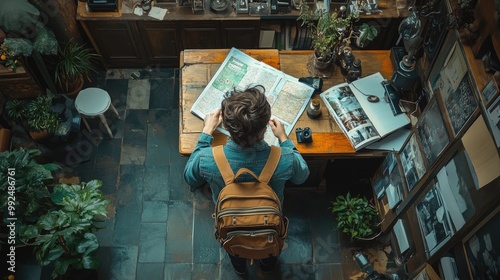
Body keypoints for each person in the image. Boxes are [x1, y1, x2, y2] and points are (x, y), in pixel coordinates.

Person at [183, 85, 310, 275]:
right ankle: (267, 266)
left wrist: (206, 134)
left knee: (235, 250)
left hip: (232, 227)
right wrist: (284, 139)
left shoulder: (207, 159)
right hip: (269, 226)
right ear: (266, 125)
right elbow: (302, 176)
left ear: (225, 125)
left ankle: (240, 269)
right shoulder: (285, 159)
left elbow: (189, 178)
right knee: (271, 249)